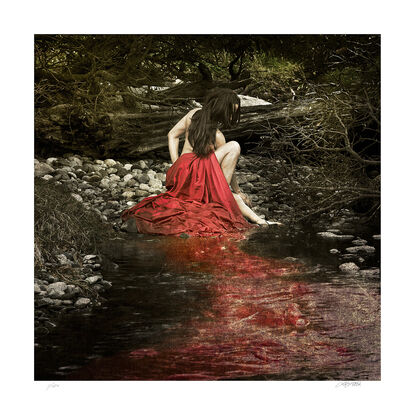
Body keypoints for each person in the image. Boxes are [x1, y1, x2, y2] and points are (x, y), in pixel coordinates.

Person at [121, 87, 279, 237]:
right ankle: (225, 197)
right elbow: (228, 168)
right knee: (234, 146)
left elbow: (172, 135)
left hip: (181, 171)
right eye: (231, 112)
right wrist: (236, 190)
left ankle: (260, 221)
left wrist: (176, 163)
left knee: (231, 183)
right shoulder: (217, 135)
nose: (231, 117)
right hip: (194, 173)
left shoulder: (193, 114)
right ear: (223, 109)